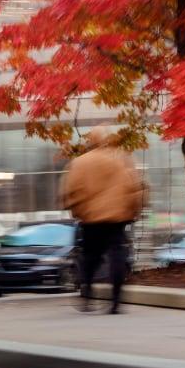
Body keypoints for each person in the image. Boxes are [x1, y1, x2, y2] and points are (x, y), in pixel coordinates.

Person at [60, 126, 146, 314]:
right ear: (107, 140)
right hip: (118, 218)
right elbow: (134, 186)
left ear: (91, 141)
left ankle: (87, 293)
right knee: (117, 257)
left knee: (91, 257)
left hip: (91, 219)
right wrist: (134, 211)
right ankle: (115, 301)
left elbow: (71, 190)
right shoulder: (121, 159)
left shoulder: (80, 163)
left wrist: (76, 211)